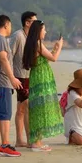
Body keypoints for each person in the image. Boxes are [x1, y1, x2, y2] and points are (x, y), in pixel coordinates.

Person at [22, 20, 64, 151]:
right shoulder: (37, 44)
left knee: (38, 108)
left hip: (37, 76)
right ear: (38, 31)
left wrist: (55, 48)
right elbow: (53, 58)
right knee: (40, 108)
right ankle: (36, 142)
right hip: (41, 78)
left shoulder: (32, 44)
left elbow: (45, 57)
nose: (45, 32)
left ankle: (37, 140)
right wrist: (60, 46)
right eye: (44, 29)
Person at [0, 15, 23, 157]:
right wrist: (12, 78)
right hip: (1, 82)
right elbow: (3, 58)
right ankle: (5, 145)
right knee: (5, 114)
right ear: (6, 25)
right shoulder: (0, 39)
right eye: (10, 26)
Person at [9, 11, 37, 148]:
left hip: (29, 76)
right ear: (27, 22)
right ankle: (29, 139)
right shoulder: (18, 35)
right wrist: (11, 77)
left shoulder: (31, 37)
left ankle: (20, 140)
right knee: (26, 107)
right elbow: (8, 56)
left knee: (21, 108)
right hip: (19, 76)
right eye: (34, 21)